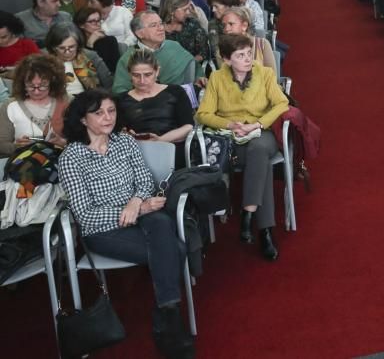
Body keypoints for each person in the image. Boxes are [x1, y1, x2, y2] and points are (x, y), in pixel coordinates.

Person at [58, 89, 195, 357]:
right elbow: (85, 215)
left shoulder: (124, 142)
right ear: (83, 120)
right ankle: (169, 319)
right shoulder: (71, 158)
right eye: (98, 113)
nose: (107, 118)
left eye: (111, 111)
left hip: (141, 214)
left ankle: (167, 315)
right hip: (103, 230)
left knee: (160, 225)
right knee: (174, 249)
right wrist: (135, 209)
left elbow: (145, 180)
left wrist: (137, 203)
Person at [196, 34, 289, 260]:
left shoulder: (264, 73)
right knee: (262, 165)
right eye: (240, 55)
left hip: (262, 132)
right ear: (227, 60)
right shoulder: (217, 78)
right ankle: (265, 231)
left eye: (249, 53)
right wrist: (230, 124)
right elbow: (203, 114)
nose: (247, 59)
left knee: (259, 150)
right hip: (233, 138)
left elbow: (282, 103)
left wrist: (257, 124)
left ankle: (248, 213)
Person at [117, 49, 196, 169]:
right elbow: (119, 131)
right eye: (136, 75)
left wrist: (160, 140)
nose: (142, 81)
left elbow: (188, 126)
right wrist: (127, 135)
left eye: (148, 75)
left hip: (172, 146)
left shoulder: (175, 92)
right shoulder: (121, 100)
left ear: (157, 71)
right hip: (136, 151)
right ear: (129, 74)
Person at [0, 53, 69, 156]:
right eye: (31, 86)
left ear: (53, 82)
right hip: (23, 165)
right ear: (22, 83)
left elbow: (85, 140)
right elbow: (2, 145)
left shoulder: (67, 102)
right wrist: (17, 147)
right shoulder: (10, 106)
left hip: (61, 161)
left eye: (42, 86)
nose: (36, 91)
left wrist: (63, 143)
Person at [113, 12, 196, 93]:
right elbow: (120, 91)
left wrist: (200, 78)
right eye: (153, 25)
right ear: (139, 33)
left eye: (160, 24)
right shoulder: (129, 58)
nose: (161, 28)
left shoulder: (174, 46)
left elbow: (194, 67)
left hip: (180, 98)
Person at [43, 23, 111, 95]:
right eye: (62, 48)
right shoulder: (45, 61)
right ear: (53, 47)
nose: (67, 52)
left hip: (90, 101)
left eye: (71, 47)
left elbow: (108, 84)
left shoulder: (90, 56)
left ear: (78, 44)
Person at [160, 0, 210, 74]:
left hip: (191, 69)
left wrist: (185, 65)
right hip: (165, 71)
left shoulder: (192, 24)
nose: (188, 13)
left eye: (188, 9)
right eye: (185, 10)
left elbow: (203, 53)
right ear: (171, 10)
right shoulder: (159, 28)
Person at [219, 6, 278, 74]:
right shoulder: (223, 48)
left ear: (244, 26)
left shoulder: (263, 44)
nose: (226, 29)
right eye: (224, 25)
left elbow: (272, 76)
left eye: (231, 24)